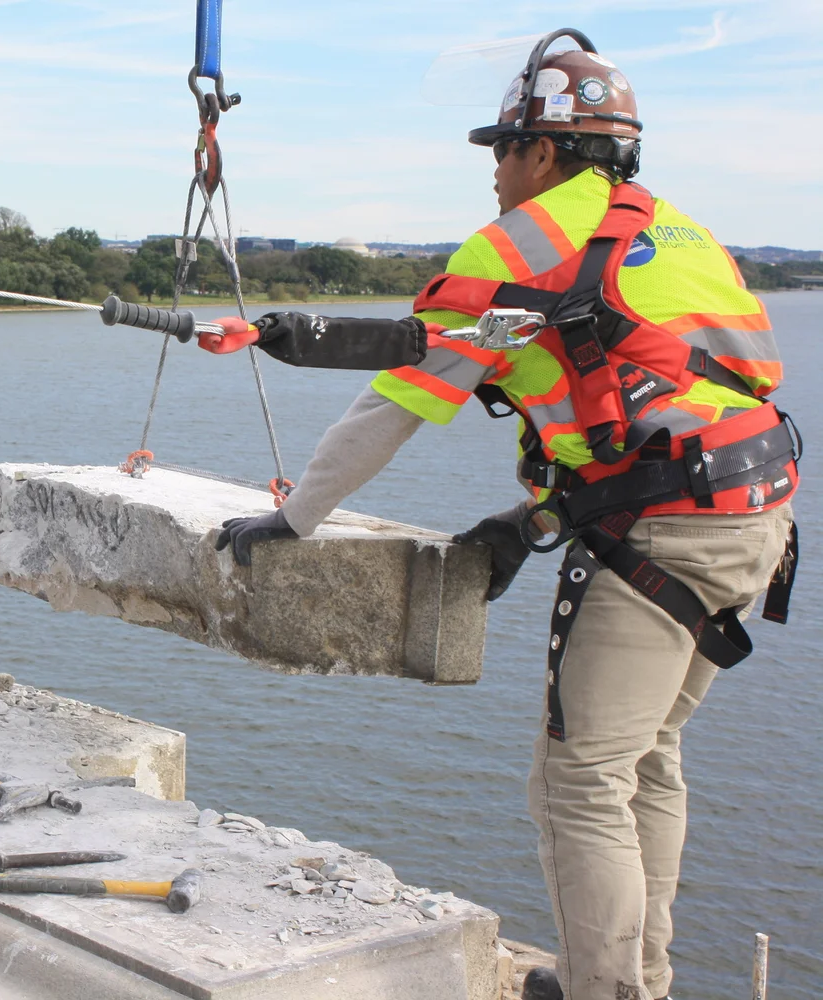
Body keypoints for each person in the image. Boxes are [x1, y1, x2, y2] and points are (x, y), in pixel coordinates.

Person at [202, 31, 797, 1000]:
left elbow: (389, 407)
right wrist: (534, 522)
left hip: (670, 534)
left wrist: (297, 518)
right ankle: (639, 978)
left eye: (501, 150)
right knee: (643, 760)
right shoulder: (680, 235)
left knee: (580, 781)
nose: (492, 172)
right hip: (754, 519)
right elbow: (650, 406)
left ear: (546, 151)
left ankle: (609, 990)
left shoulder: (517, 249)